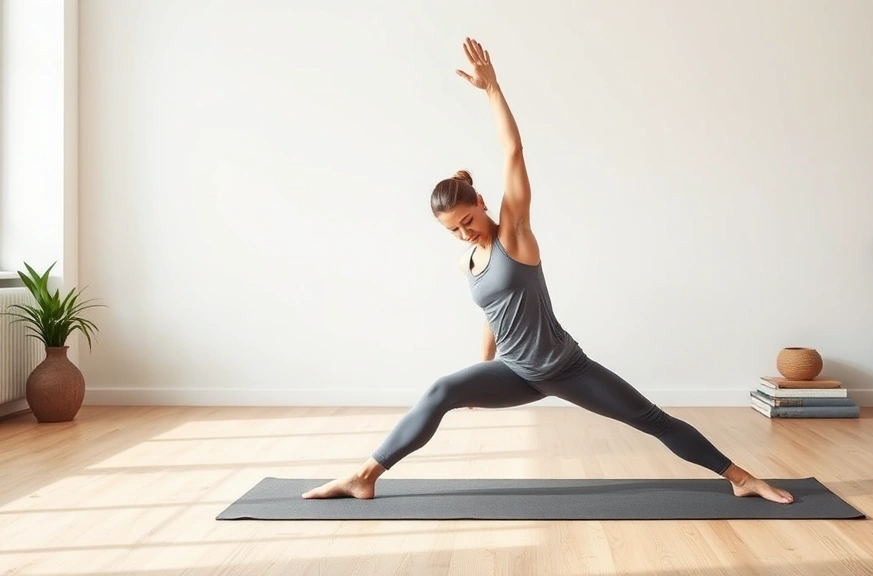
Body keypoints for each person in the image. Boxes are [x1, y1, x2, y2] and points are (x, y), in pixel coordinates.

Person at [303, 38, 794, 504]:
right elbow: (493, 311)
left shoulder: (514, 234)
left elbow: (513, 153)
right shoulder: (467, 259)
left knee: (651, 419)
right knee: (442, 390)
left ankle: (742, 478)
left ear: (482, 202)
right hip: (515, 373)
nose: (465, 233)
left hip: (565, 369)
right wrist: (482, 370)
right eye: (453, 230)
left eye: (468, 221)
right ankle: (364, 477)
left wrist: (492, 87)